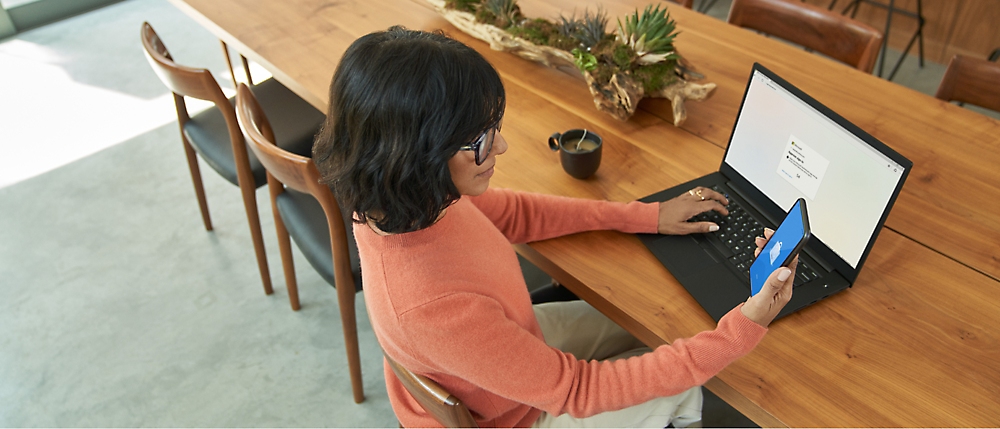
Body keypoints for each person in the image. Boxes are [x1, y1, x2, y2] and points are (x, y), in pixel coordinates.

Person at [313, 26, 795, 428]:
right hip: (522, 416)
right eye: (478, 140)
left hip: (502, 355)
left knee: (655, 324)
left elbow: (518, 214)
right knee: (690, 381)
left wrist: (643, 216)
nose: (499, 149)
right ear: (414, 156)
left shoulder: (401, 200)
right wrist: (743, 328)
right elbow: (579, 389)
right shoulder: (433, 307)